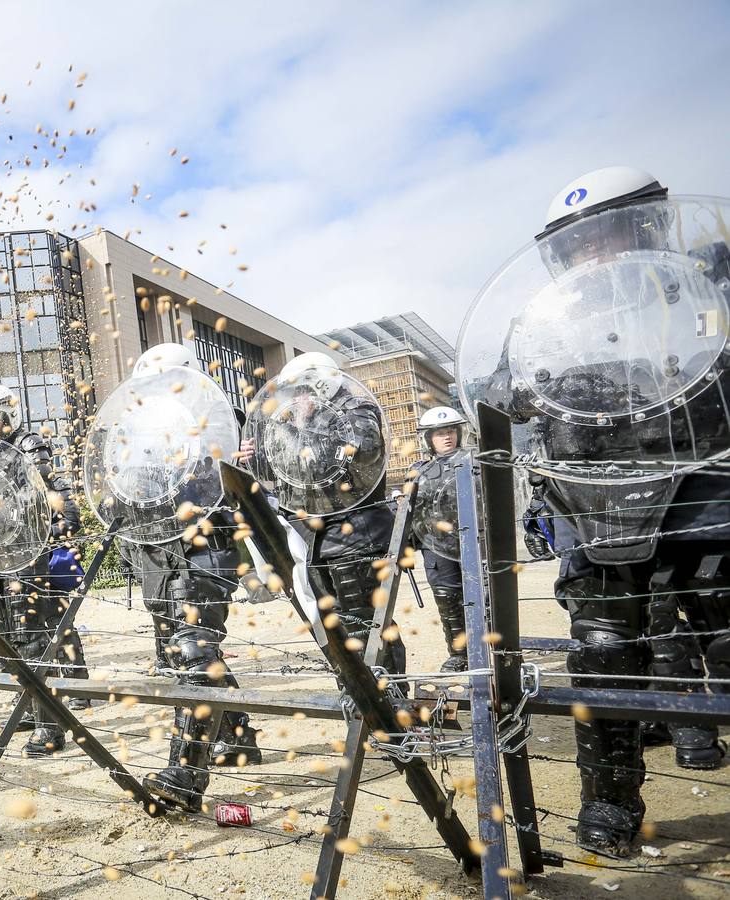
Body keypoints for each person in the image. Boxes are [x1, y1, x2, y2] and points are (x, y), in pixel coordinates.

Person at [468, 166, 729, 853]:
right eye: (579, 245)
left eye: (607, 233)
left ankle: (699, 748)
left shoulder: (702, 284)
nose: (595, 253)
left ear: (644, 224)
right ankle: (608, 810)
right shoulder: (546, 321)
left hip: (702, 487)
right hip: (593, 504)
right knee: (603, 655)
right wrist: (535, 379)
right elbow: (501, 396)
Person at [117, 343, 261, 811]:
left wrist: (242, 459)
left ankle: (184, 775)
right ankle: (239, 738)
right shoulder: (142, 430)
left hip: (205, 547)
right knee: (193, 654)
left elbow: (242, 483)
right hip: (157, 552)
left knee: (193, 654)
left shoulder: (223, 421)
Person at [0, 384, 83, 755]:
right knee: (9, 639)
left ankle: (51, 729)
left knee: (33, 636)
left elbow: (53, 502)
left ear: (7, 415)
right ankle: (33, 707)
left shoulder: (28, 449)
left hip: (26, 559)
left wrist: (49, 531)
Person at [272, 352, 405, 674]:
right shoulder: (299, 426)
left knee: (364, 624)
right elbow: (289, 480)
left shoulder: (356, 413)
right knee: (335, 628)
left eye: (302, 392)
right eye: (294, 394)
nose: (297, 401)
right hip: (315, 539)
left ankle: (391, 703)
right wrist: (256, 456)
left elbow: (321, 463)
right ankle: (357, 695)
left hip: (355, 535)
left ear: (322, 386)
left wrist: (289, 433)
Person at [410, 407, 471, 672]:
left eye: (450, 432)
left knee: (486, 596)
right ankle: (459, 654)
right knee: (447, 599)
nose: (446, 437)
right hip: (436, 545)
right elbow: (408, 511)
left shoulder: (474, 461)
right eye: (439, 434)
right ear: (429, 439)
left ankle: (498, 650)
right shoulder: (419, 471)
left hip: (473, 542)